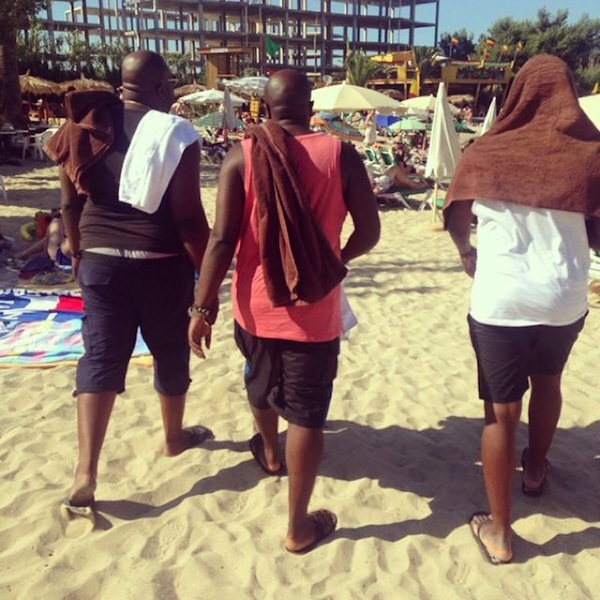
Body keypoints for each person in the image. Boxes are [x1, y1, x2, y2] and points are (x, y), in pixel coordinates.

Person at [188, 69, 380, 553]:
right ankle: (297, 527)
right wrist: (334, 260)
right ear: (311, 107)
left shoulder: (242, 155)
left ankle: (271, 454)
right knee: (307, 414)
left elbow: (221, 240)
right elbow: (370, 232)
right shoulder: (341, 154)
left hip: (254, 308)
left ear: (266, 109)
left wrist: (202, 307)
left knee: (260, 383)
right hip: (314, 312)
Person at [444, 55, 600, 564]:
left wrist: (466, 252)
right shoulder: (592, 152)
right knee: (548, 383)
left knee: (500, 413)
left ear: (519, 93)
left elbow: (456, 213)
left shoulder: (488, 148)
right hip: (564, 296)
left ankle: (501, 533)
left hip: (501, 298)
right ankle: (534, 471)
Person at [44, 50, 212, 518]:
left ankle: (85, 472)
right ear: (159, 88)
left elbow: (70, 203)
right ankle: (174, 438)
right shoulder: (177, 133)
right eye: (170, 84)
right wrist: (208, 277)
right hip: (160, 263)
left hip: (99, 261)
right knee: (170, 350)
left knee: (100, 357)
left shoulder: (84, 124)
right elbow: (187, 218)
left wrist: (80, 254)